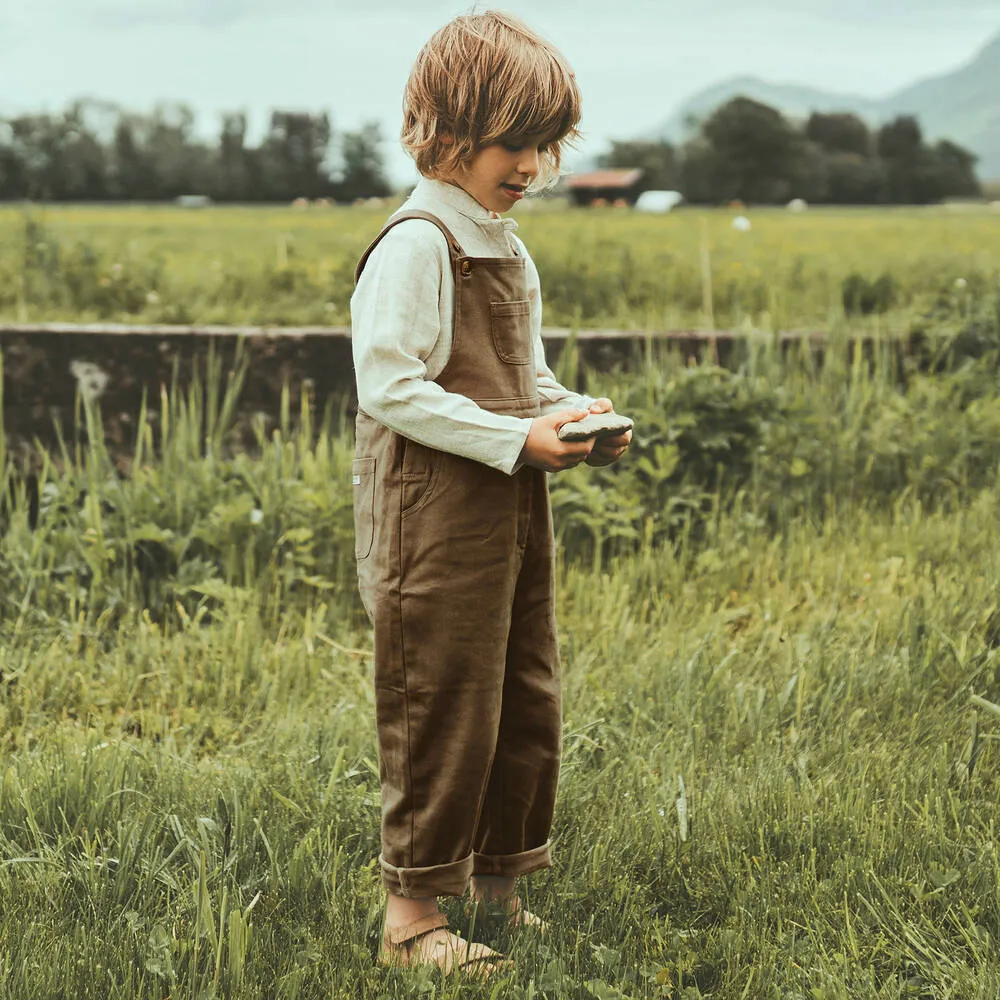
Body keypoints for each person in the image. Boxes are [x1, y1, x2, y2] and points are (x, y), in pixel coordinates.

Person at [350, 9, 632, 977]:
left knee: (520, 687)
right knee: (440, 697)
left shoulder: (504, 243)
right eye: (516, 141)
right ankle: (412, 915)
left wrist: (569, 412)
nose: (534, 164)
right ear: (449, 129)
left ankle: (496, 882)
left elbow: (521, 374)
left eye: (548, 144)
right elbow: (390, 385)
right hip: (435, 515)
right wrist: (518, 435)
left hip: (507, 502)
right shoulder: (418, 242)